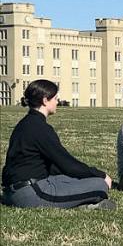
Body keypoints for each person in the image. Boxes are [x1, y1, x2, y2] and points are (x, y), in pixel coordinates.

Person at [1, 79, 115, 209]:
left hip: (14, 191)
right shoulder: (40, 128)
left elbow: (54, 167)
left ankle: (78, 203)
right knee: (99, 185)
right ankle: (83, 204)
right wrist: (101, 175)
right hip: (31, 194)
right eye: (55, 98)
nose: (57, 101)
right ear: (45, 101)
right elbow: (67, 164)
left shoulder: (25, 123)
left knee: (72, 179)